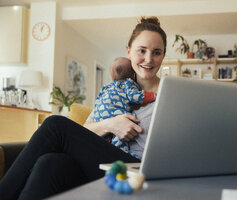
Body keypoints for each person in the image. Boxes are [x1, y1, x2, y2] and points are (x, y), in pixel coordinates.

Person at [0, 16, 166, 200]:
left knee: (55, 125)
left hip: (137, 170)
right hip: (104, 166)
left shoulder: (170, 93)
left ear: (164, 55)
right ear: (128, 51)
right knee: (50, 163)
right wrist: (110, 125)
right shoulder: (114, 91)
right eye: (141, 50)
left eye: (157, 52)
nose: (149, 59)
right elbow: (85, 130)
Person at [90, 56, 156, 159]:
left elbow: (98, 101)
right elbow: (135, 96)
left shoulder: (107, 87)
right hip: (114, 116)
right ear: (133, 75)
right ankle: (123, 151)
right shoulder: (128, 84)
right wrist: (152, 96)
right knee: (121, 134)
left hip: (100, 113)